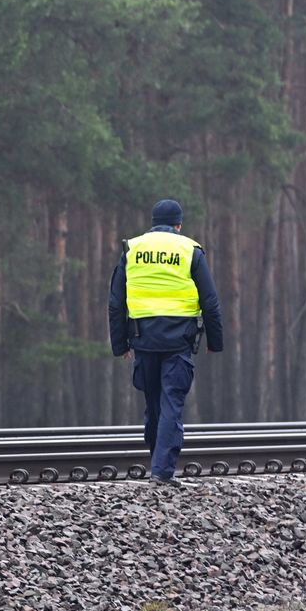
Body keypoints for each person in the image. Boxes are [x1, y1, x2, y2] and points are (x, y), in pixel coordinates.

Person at [108, 199, 223, 486]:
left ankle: (156, 462)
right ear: (179, 224)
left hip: (143, 338)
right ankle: (161, 471)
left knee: (153, 404)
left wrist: (120, 344)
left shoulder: (132, 249)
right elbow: (210, 301)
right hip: (178, 341)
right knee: (172, 402)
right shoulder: (189, 250)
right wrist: (215, 340)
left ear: (152, 222)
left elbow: (115, 302)